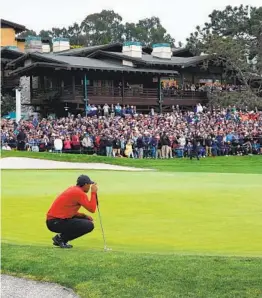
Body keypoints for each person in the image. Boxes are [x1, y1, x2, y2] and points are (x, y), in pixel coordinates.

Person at [46, 175, 98, 248]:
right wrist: (93, 193)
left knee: (86, 220)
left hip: (55, 220)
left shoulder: (73, 189)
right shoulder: (79, 193)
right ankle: (61, 239)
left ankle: (61, 239)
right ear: (85, 184)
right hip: (55, 222)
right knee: (89, 225)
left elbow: (68, 211)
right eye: (89, 184)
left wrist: (84, 216)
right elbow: (92, 209)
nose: (89, 187)